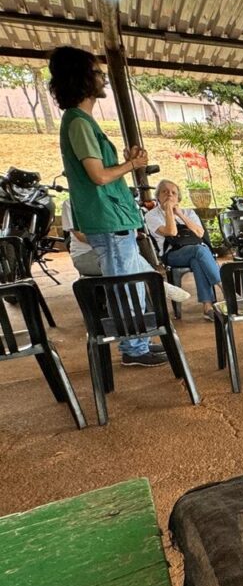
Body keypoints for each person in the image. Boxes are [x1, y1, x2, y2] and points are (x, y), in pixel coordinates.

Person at [49, 45, 165, 367]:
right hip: (108, 220)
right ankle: (134, 349)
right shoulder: (79, 123)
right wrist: (132, 165)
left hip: (113, 219)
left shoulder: (82, 122)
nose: (103, 78)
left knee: (130, 282)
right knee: (124, 286)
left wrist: (125, 162)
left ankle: (138, 343)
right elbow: (98, 176)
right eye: (98, 73)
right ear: (83, 78)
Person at [60, 199, 191, 304]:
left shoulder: (112, 201)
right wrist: (113, 243)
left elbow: (130, 234)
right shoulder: (70, 203)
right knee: (126, 262)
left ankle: (144, 314)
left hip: (119, 252)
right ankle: (157, 285)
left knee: (128, 259)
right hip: (87, 256)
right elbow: (80, 236)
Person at [145, 180, 222, 321]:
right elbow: (172, 232)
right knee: (200, 251)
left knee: (197, 259)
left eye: (173, 192)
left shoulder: (188, 212)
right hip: (172, 254)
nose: (169, 194)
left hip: (194, 251)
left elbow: (199, 233)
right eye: (165, 191)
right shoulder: (151, 216)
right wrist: (168, 211)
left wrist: (180, 214)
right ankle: (225, 287)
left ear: (178, 198)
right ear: (158, 196)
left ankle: (207, 307)